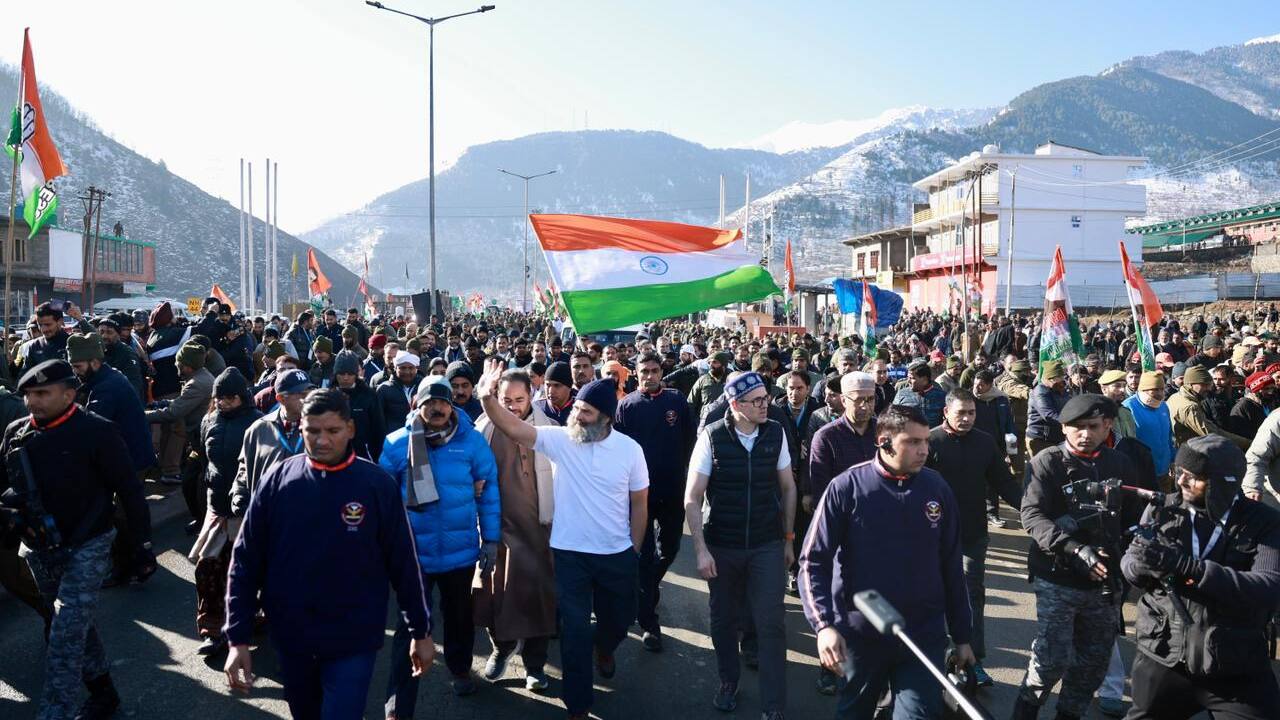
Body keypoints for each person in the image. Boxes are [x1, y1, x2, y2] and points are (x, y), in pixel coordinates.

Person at [223, 389, 436, 717]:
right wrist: (237, 637)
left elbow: (405, 564)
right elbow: (245, 561)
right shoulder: (277, 481)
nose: (321, 440)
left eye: (332, 431)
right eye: (312, 431)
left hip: (354, 636)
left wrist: (420, 632)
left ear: (350, 429)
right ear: (301, 428)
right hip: (292, 636)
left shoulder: (377, 485)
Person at [475, 362, 648, 720]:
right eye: (577, 408)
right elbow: (510, 426)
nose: (577, 415)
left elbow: (639, 503)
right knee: (573, 631)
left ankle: (606, 648)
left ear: (605, 418)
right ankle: (578, 706)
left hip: (617, 555)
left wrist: (634, 548)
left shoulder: (630, 450)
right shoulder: (561, 441)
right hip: (569, 556)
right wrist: (485, 396)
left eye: (585, 411)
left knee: (620, 620)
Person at [0, 359, 156, 720]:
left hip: (88, 544)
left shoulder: (97, 432)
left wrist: (142, 544)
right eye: (28, 394)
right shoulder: (16, 433)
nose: (33, 401)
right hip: (39, 546)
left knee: (65, 632)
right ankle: (104, 694)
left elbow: (129, 491)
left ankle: (55, 712)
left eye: (43, 393)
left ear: (69, 395)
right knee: (72, 628)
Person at [798, 404, 974, 719]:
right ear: (884, 442)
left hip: (923, 636)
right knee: (855, 712)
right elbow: (813, 562)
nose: (924, 450)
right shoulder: (846, 488)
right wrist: (823, 625)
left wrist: (962, 636)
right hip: (862, 636)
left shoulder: (937, 488)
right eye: (913, 442)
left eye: (926, 441)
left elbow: (952, 566)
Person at [1121, 435, 1280, 719]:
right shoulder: (1162, 509)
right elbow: (1130, 565)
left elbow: (1269, 587)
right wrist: (1139, 567)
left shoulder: (1264, 522)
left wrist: (1188, 567)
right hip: (1165, 656)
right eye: (1178, 472)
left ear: (1224, 483)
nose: (1181, 482)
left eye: (1193, 477)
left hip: (1235, 663)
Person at [1012, 394, 1139, 720]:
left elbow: (1137, 518)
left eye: (1092, 426)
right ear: (1064, 428)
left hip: (1104, 582)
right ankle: (1024, 712)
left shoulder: (1119, 464)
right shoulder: (1048, 462)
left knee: (1092, 663)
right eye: (1075, 427)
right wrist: (1072, 547)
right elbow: (1032, 516)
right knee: (1051, 658)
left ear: (1107, 426)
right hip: (1057, 575)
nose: (1084, 433)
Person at [379, 376, 499, 706]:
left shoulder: (471, 442)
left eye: (444, 401)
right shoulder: (396, 444)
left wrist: (491, 539)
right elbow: (382, 502)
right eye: (429, 401)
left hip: (459, 554)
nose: (437, 407)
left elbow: (488, 491)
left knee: (460, 617)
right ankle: (398, 704)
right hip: (413, 554)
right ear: (417, 405)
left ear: (453, 405)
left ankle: (460, 669)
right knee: (409, 628)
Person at [684, 371, 796, 719]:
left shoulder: (776, 433)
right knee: (723, 620)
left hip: (766, 543)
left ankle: (773, 704)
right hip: (723, 544)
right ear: (735, 405)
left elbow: (789, 488)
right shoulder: (712, 437)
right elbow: (692, 497)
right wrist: (701, 550)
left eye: (767, 398)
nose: (767, 406)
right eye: (758, 401)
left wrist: (789, 539)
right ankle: (728, 681)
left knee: (772, 623)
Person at [925, 388, 1021, 687]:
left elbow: (1004, 483)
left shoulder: (984, 442)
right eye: (960, 414)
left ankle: (973, 660)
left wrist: (1033, 511)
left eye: (971, 413)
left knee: (972, 596)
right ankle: (935, 661)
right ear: (946, 414)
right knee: (932, 598)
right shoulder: (929, 442)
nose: (966, 419)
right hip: (932, 538)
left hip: (973, 534)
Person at [473, 369, 559, 691]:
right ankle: (501, 650)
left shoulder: (549, 429)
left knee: (539, 599)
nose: (512, 407)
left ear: (532, 394)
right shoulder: (483, 428)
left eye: (519, 400)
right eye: (505, 400)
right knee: (496, 597)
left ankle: (535, 666)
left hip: (540, 532)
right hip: (497, 530)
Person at [615, 352, 695, 652]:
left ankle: (646, 588)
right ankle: (649, 622)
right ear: (636, 374)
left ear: (662, 371)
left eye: (654, 370)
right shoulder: (627, 406)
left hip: (672, 490)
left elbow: (690, 441)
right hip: (639, 496)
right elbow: (619, 451)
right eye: (644, 371)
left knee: (670, 549)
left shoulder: (676, 402)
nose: (649, 375)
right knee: (645, 556)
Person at [68, 333, 157, 587]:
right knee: (126, 515)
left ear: (94, 362)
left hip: (130, 460)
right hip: (126, 457)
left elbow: (90, 427)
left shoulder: (107, 387)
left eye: (78, 366)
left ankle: (132, 565)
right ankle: (133, 563)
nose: (75, 372)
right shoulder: (105, 378)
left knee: (123, 518)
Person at [192, 367, 261, 656]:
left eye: (230, 398)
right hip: (216, 508)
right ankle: (211, 629)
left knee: (247, 571)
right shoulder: (208, 420)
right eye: (220, 398)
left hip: (248, 512)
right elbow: (204, 458)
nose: (224, 403)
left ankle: (253, 616)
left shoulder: (259, 425)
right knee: (208, 568)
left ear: (243, 397)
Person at [231, 369, 312, 517]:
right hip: (268, 516)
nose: (306, 398)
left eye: (308, 392)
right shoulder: (258, 429)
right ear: (281, 398)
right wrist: (239, 492)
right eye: (300, 394)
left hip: (307, 517)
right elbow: (244, 466)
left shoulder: (320, 428)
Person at [146, 342, 214, 505]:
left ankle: (202, 514)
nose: (176, 366)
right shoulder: (201, 376)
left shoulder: (196, 384)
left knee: (194, 481)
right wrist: (160, 404)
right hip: (200, 436)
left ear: (188, 366)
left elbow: (174, 413)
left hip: (200, 437)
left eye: (179, 363)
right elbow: (182, 402)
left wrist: (143, 416)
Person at [1167, 365, 1250, 450]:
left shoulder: (1176, 396)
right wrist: (1247, 443)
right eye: (1204, 385)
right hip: (1189, 451)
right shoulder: (1189, 407)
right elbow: (1211, 433)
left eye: (1209, 384)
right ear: (1190, 384)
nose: (1208, 388)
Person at [1125, 371, 1175, 490]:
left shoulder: (1163, 406)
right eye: (1155, 389)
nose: (1160, 393)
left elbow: (1169, 436)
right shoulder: (1128, 408)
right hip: (1142, 475)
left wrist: (1173, 459)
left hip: (1164, 471)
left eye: (1162, 389)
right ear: (1144, 389)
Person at [334, 351, 385, 461]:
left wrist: (375, 457)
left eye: (350, 374)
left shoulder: (369, 395)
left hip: (363, 456)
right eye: (342, 374)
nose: (346, 378)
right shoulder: (328, 395)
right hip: (335, 457)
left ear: (356, 374)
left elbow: (378, 429)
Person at [1026, 359, 1069, 459]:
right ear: (1050, 378)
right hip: (1041, 439)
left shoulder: (1060, 388)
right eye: (1059, 378)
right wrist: (1069, 423)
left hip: (1057, 437)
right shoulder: (1040, 392)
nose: (1062, 380)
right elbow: (1048, 414)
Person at [890, 361, 947, 427]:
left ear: (924, 379)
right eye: (908, 377)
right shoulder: (901, 394)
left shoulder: (941, 396)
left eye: (912, 378)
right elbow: (893, 418)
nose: (908, 381)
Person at [376, 352, 422, 431]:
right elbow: (378, 419)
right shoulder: (384, 389)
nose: (407, 372)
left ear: (416, 369)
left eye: (411, 368)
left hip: (420, 435)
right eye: (403, 368)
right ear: (395, 368)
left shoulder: (424, 387)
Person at [1228, 370, 1274, 440]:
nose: (1270, 392)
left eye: (1272, 388)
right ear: (1255, 390)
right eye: (1266, 389)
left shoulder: (1269, 401)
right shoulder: (1242, 408)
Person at [536, 360, 576, 425]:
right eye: (548, 385)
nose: (551, 391)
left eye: (557, 385)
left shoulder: (580, 409)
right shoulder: (537, 408)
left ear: (569, 387)